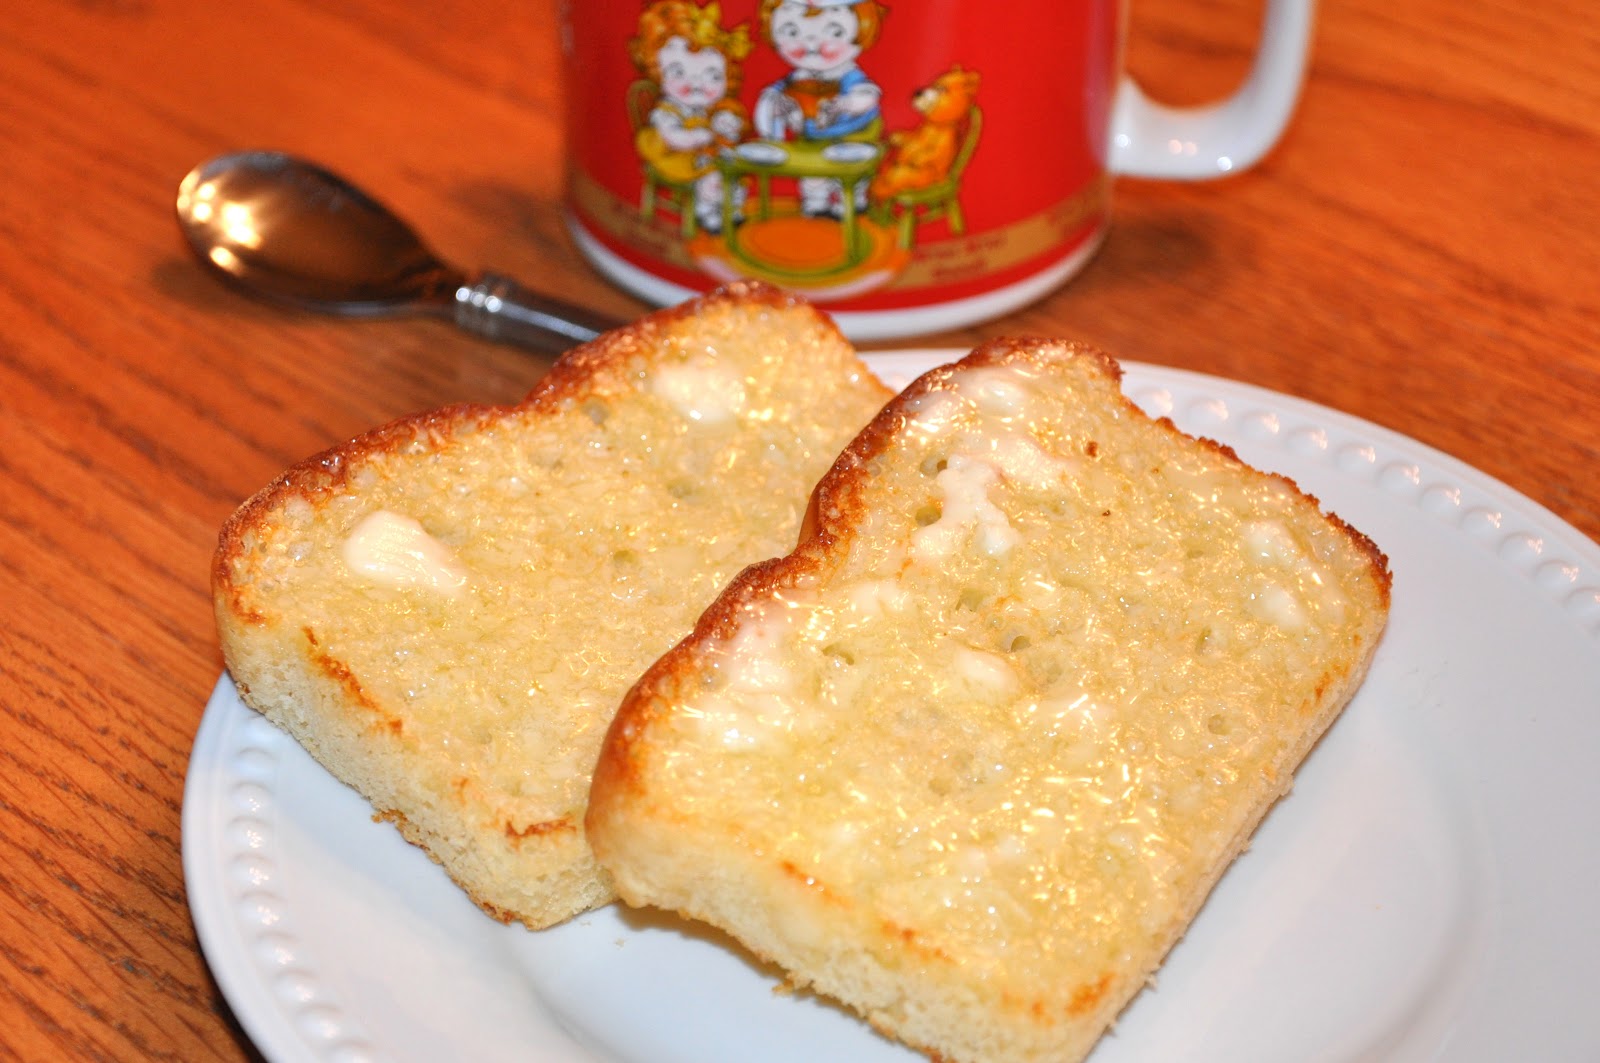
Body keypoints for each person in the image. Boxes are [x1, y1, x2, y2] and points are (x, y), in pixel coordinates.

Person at [752, 0, 887, 217]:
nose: (811, 42)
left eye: (834, 32)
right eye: (792, 32)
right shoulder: (796, 79)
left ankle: (851, 203)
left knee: (849, 177)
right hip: (811, 140)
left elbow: (868, 95)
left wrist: (848, 104)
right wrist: (774, 107)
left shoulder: (847, 75)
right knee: (813, 177)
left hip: (852, 137)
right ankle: (816, 204)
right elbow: (770, 99)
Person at [629, 1, 752, 233]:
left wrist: (727, 122)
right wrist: (700, 136)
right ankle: (707, 215)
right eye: (678, 73)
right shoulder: (666, 112)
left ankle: (732, 209)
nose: (696, 84)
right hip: (674, 158)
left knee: (733, 173)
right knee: (711, 178)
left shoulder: (708, 109)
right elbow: (674, 137)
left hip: (703, 156)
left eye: (712, 76)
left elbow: (724, 121)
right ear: (658, 69)